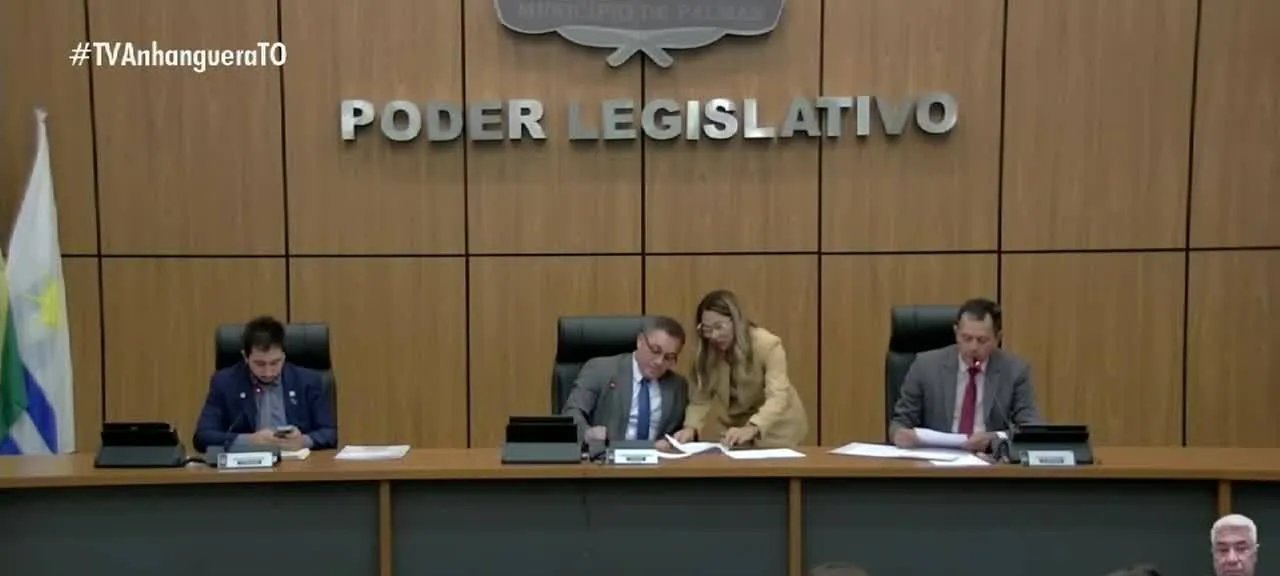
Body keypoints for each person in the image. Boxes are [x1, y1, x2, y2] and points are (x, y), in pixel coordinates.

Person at [889, 298, 1041, 453]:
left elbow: (1029, 428)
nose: (973, 347)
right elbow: (900, 422)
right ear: (956, 333)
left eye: (982, 340)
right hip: (936, 458)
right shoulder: (925, 365)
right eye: (966, 338)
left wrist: (995, 437)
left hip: (989, 458)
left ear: (998, 338)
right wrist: (900, 435)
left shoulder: (1015, 371)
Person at [671, 289, 808, 448]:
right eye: (707, 329)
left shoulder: (767, 345)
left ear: (736, 322)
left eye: (719, 327)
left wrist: (753, 427)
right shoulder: (706, 352)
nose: (713, 336)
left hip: (776, 428)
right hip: (736, 430)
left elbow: (778, 396)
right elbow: (700, 397)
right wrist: (691, 428)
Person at [193, 315, 337, 452]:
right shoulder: (225, 382)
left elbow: (329, 433)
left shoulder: (308, 381)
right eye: (260, 364)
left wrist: (303, 441)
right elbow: (203, 436)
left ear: (284, 355)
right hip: (249, 464)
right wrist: (249, 440)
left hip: (298, 463)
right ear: (245, 357)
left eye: (275, 362)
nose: (268, 372)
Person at [561, 316, 689, 448]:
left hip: (656, 458)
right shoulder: (600, 369)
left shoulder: (678, 386)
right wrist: (587, 433)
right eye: (655, 351)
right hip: (606, 456)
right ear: (640, 341)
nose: (659, 362)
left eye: (669, 357)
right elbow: (571, 412)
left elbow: (679, 431)